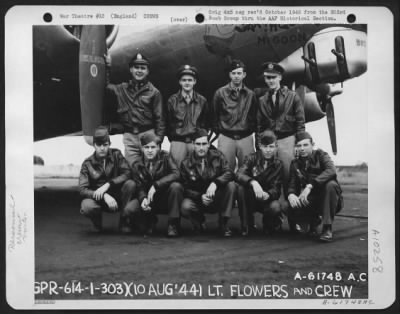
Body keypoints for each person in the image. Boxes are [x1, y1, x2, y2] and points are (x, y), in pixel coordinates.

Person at [105, 52, 166, 166]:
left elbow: (160, 119)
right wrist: (107, 67)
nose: (139, 70)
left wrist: (157, 140)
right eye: (136, 67)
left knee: (151, 170)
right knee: (133, 170)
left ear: (147, 71)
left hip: (148, 135)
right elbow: (105, 85)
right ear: (131, 70)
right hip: (130, 137)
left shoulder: (154, 92)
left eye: (143, 68)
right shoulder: (122, 89)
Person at [287, 131, 343, 242]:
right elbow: (292, 183)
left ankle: (327, 228)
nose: (302, 148)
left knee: (331, 185)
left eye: (305, 145)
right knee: (287, 206)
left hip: (329, 200)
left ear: (313, 145)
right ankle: (313, 221)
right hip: (311, 200)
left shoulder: (321, 155)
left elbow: (331, 171)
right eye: (299, 145)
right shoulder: (295, 163)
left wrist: (310, 186)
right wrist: (291, 194)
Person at [79, 126, 136, 233]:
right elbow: (82, 189)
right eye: (99, 145)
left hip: (117, 197)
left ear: (109, 144)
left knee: (130, 184)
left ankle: (124, 220)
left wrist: (108, 184)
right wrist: (104, 195)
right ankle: (97, 223)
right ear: (94, 145)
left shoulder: (116, 155)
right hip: (99, 199)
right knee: (86, 206)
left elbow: (128, 173)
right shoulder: (87, 164)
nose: (102, 148)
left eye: (105, 145)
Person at [180, 129, 237, 236]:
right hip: (199, 200)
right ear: (193, 144)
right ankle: (199, 222)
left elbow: (229, 173)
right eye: (198, 144)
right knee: (185, 206)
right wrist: (200, 196)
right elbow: (185, 188)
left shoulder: (218, 156)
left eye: (204, 144)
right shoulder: (185, 163)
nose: (201, 148)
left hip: (216, 197)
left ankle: (223, 222)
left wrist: (215, 183)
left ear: (208, 144)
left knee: (231, 186)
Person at [130, 133, 183, 237]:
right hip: (149, 200)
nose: (150, 150)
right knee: (130, 209)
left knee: (176, 187)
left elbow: (176, 174)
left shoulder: (166, 157)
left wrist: (156, 185)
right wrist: (143, 198)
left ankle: (173, 224)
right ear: (142, 148)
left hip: (165, 198)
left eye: (153, 147)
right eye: (147, 147)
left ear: (158, 148)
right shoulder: (137, 164)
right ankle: (150, 221)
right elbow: (139, 186)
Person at [212, 59, 258, 171]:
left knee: (247, 170)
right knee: (225, 170)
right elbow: (214, 115)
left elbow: (254, 116)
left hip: (245, 137)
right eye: (234, 73)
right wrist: (221, 131)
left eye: (239, 73)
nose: (236, 76)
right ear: (229, 75)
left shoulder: (251, 94)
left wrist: (248, 130)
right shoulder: (220, 93)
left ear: (244, 75)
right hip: (226, 137)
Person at [237, 130, 284, 236]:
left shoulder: (278, 164)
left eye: (271, 147)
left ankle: (268, 224)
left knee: (275, 207)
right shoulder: (251, 158)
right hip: (251, 198)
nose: (268, 150)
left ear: (276, 147)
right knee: (240, 188)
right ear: (260, 146)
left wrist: (269, 194)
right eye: (265, 146)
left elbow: (276, 188)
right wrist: (253, 182)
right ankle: (247, 225)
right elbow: (239, 174)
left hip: (266, 199)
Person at [166, 65, 210, 166]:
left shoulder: (202, 101)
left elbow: (206, 122)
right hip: (178, 142)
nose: (187, 83)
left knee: (198, 170)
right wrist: (174, 138)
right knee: (176, 171)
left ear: (195, 82)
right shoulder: (172, 101)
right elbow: (168, 122)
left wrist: (200, 137)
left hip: (195, 142)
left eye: (190, 80)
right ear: (180, 82)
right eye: (184, 80)